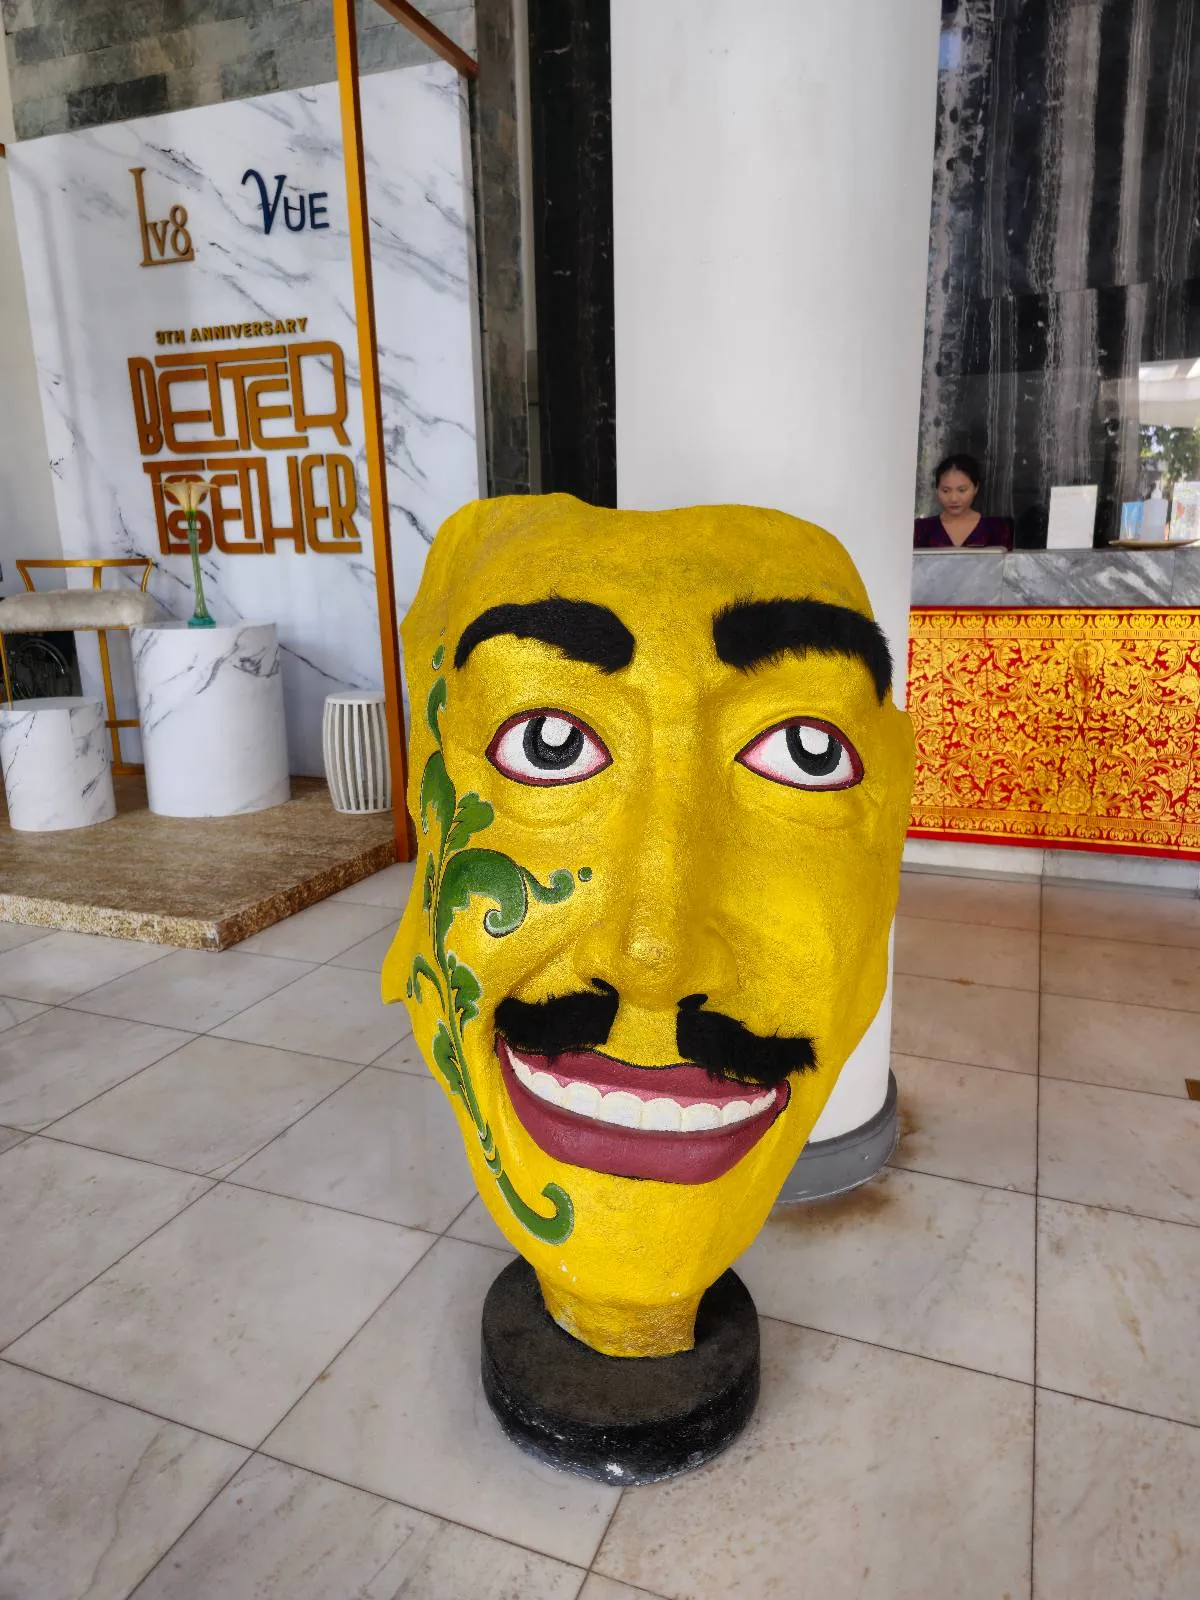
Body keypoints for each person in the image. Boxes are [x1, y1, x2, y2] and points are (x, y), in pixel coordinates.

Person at [914, 453, 1013, 549]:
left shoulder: (997, 528)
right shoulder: (921, 529)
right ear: (937, 490)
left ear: (976, 488)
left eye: (962, 490)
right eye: (946, 491)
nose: (953, 499)